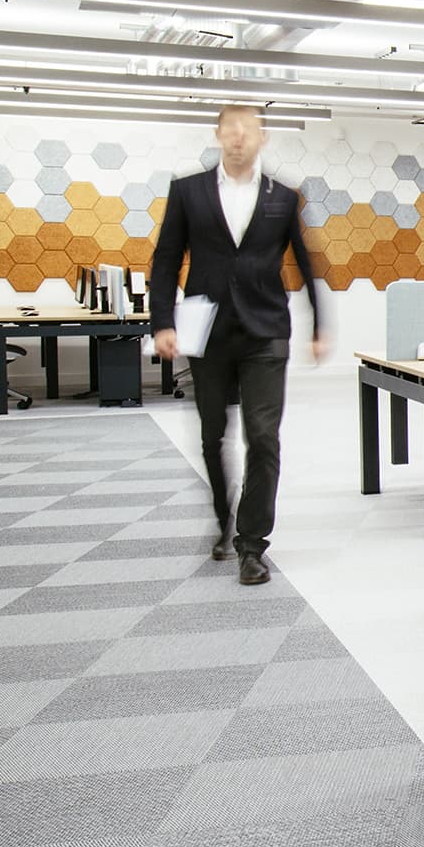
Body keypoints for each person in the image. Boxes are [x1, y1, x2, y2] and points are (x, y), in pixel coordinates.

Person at [150, 103, 328, 585]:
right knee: (213, 436)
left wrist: (318, 321)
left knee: (264, 437)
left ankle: (253, 544)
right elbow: (166, 260)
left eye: (247, 130)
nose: (238, 138)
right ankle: (223, 516)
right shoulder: (188, 191)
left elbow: (304, 260)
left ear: (261, 139)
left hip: (266, 330)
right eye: (230, 129)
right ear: (218, 136)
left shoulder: (283, 197)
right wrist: (161, 322)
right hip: (206, 330)